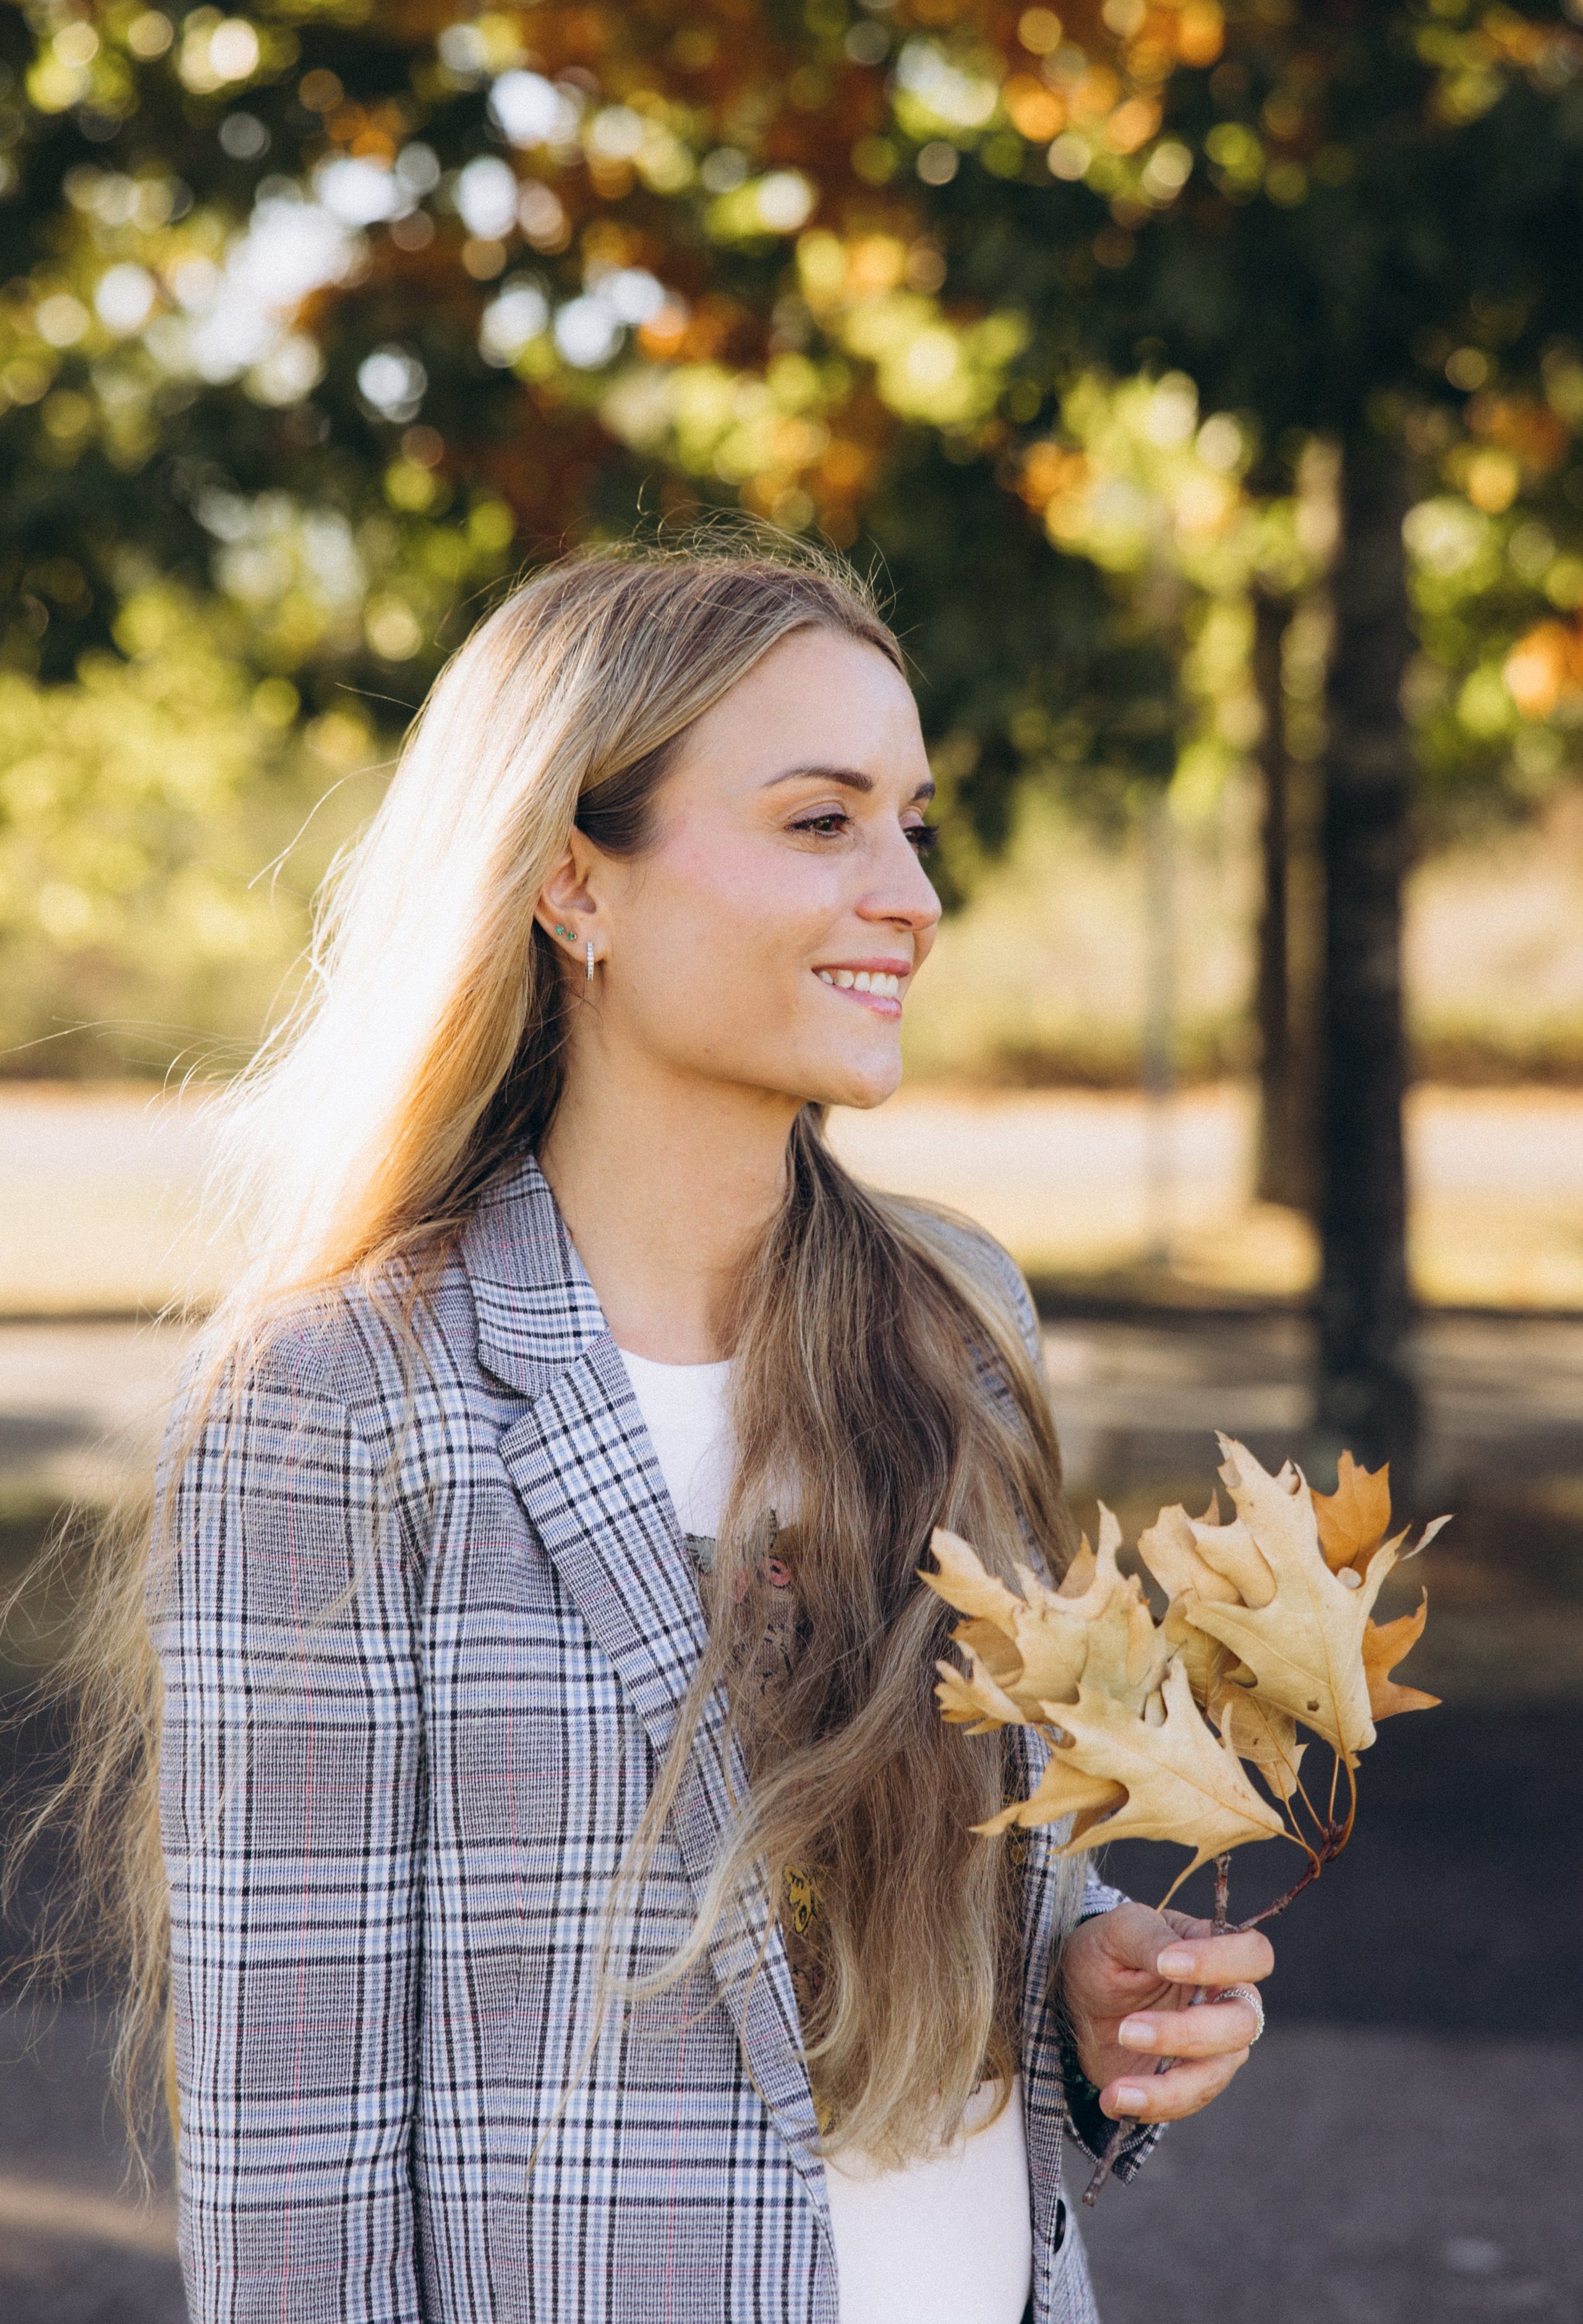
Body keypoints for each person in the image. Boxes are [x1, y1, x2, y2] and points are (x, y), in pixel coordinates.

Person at [129, 542, 1271, 2321]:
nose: (909, 891)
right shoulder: (336, 1402)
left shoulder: (962, 1331)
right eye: (822, 822)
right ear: (576, 881)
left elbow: (997, 1914)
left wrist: (1088, 1992)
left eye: (915, 821)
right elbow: (293, 2178)